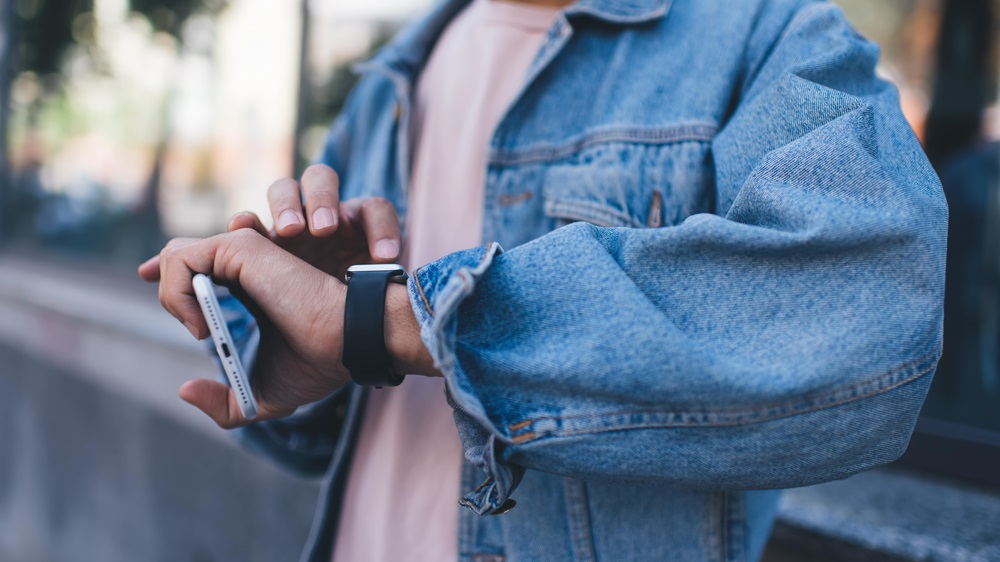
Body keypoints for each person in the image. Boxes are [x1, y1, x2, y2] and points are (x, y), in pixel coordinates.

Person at [138, 0, 948, 560]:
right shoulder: (399, 67)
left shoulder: (769, 34)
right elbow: (343, 431)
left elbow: (865, 311)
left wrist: (388, 322)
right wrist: (314, 352)